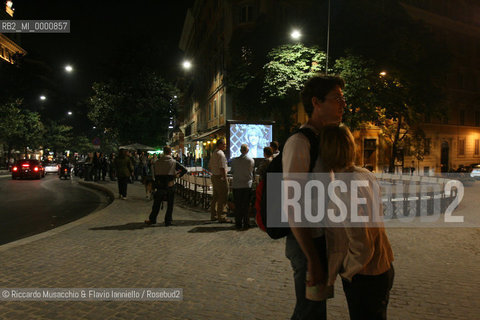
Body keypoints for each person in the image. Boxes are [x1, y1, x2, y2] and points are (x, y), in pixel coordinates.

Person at [283, 75, 346, 320]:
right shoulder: (300, 142)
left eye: (343, 100)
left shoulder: (323, 140)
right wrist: (312, 258)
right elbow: (291, 205)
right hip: (307, 242)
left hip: (321, 240)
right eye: (337, 99)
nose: (343, 105)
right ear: (316, 102)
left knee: (315, 311)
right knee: (309, 311)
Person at [318, 125, 394, 320]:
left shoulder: (342, 187)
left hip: (365, 274)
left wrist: (348, 271)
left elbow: (361, 241)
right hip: (383, 265)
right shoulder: (365, 174)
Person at [145, 146, 187, 226]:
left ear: (164, 152)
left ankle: (153, 219)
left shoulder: (157, 162)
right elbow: (184, 170)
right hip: (170, 184)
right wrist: (177, 175)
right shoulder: (173, 162)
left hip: (160, 185)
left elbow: (154, 174)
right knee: (170, 204)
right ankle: (168, 221)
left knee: (156, 203)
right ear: (170, 152)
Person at [230, 144, 255, 230]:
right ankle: (246, 223)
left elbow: (232, 171)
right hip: (246, 185)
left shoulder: (234, 160)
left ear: (240, 151)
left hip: (236, 185)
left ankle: (238, 223)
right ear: (247, 151)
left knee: (238, 205)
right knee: (246, 205)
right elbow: (251, 171)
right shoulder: (251, 160)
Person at [209, 139, 232, 223]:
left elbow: (210, 166)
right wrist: (224, 177)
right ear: (220, 145)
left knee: (215, 197)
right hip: (220, 177)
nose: (225, 146)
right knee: (223, 197)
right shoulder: (221, 154)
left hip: (214, 176)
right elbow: (222, 167)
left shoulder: (214, 153)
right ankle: (222, 216)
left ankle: (213, 215)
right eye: (224, 144)